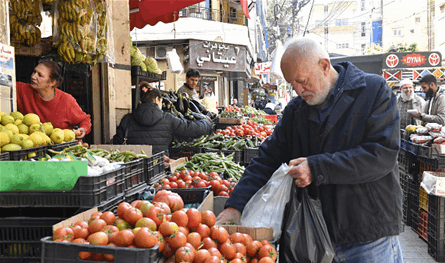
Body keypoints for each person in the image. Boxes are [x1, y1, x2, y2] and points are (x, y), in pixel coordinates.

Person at [215, 38, 403, 262]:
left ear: (324, 66)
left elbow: (382, 154)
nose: (298, 90)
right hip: (318, 235)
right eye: (292, 84)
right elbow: (267, 159)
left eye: (302, 81)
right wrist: (236, 205)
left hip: (369, 234)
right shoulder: (296, 111)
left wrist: (317, 167)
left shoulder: (373, 91)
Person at [112, 86, 214, 154]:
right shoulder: (168, 118)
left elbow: (116, 143)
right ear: (157, 99)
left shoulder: (127, 119)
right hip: (159, 166)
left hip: (133, 168)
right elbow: (191, 129)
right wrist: (206, 122)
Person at [16, 60, 91, 139]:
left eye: (40, 75)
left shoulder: (66, 101)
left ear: (52, 82)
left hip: (63, 148)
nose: (33, 76)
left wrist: (83, 129)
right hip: (36, 144)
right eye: (34, 72)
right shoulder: (22, 90)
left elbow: (84, 120)